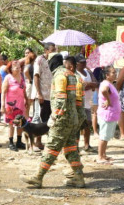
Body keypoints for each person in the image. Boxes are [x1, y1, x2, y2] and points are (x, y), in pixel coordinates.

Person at [22, 55, 85, 189]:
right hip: (72, 118)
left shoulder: (59, 76)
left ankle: (38, 177)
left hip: (63, 119)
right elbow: (79, 101)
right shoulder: (73, 76)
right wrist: (78, 119)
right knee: (71, 148)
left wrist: (55, 116)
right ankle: (79, 178)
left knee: (51, 147)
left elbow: (61, 99)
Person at [29, 43, 55, 151]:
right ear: (46, 50)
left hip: (50, 95)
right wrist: (39, 93)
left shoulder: (53, 61)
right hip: (41, 94)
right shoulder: (39, 60)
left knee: (47, 119)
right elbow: (36, 76)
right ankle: (34, 143)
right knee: (37, 117)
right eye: (52, 50)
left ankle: (40, 142)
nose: (53, 52)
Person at [96, 66, 120, 164]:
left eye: (115, 72)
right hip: (107, 114)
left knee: (107, 136)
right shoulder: (105, 83)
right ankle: (100, 157)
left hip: (112, 114)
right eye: (113, 73)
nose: (115, 74)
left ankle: (103, 154)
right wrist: (108, 100)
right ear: (107, 75)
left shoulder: (110, 84)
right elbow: (104, 90)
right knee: (104, 136)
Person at [1, 59, 27, 151]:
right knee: (11, 123)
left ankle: (19, 141)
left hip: (20, 103)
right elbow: (3, 93)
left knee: (20, 123)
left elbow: (24, 90)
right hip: (10, 105)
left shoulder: (21, 76)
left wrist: (26, 100)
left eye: (19, 67)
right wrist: (2, 106)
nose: (18, 69)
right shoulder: (8, 77)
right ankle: (11, 143)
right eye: (16, 67)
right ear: (11, 69)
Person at [76, 55, 97, 152]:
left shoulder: (88, 72)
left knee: (87, 123)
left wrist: (88, 85)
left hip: (88, 102)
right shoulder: (75, 73)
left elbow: (96, 83)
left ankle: (87, 144)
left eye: (85, 61)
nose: (84, 63)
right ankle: (75, 146)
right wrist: (88, 85)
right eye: (82, 62)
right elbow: (79, 87)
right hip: (78, 102)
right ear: (77, 63)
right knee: (77, 125)